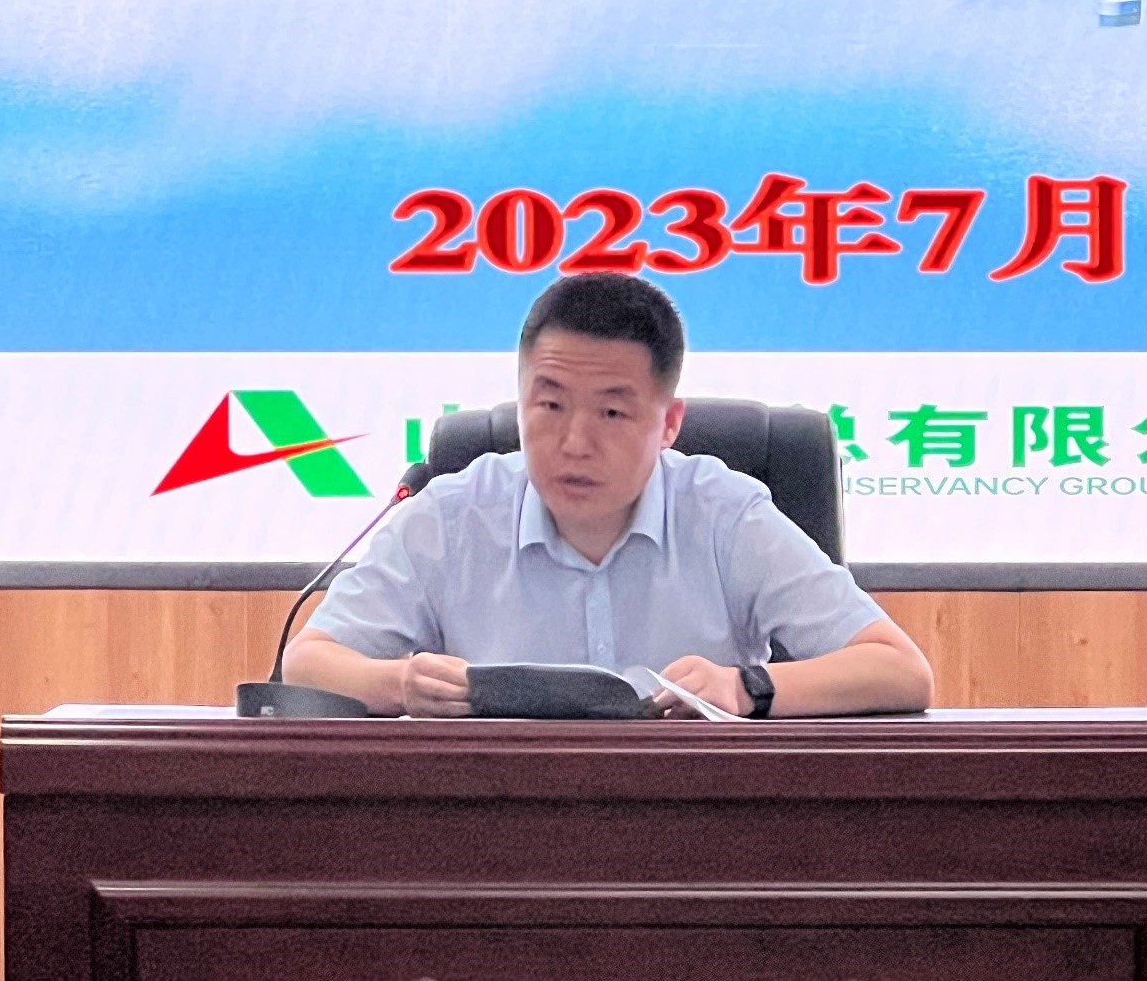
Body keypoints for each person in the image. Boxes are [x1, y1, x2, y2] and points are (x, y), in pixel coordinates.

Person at [282, 272, 934, 718]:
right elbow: (307, 663)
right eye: (550, 405)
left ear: (668, 424)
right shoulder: (450, 517)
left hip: (697, 831)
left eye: (613, 413)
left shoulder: (725, 515)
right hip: (498, 831)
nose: (574, 442)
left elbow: (900, 671)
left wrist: (747, 687)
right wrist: (398, 683)